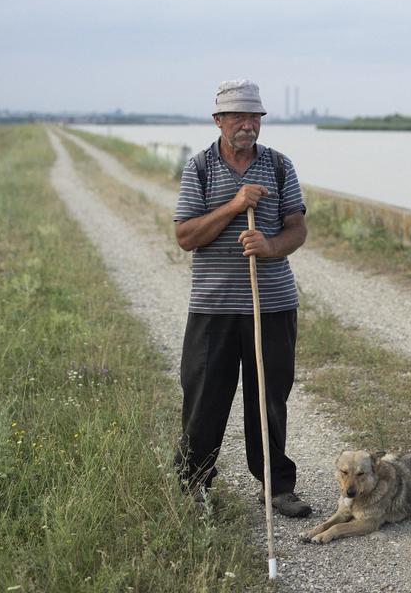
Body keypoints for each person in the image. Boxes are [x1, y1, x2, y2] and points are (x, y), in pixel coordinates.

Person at [172, 80, 312, 518]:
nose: (248, 126)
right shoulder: (199, 168)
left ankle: (275, 486)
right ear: (219, 121)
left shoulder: (278, 166)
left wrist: (270, 247)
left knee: (269, 398)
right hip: (213, 308)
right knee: (204, 399)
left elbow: (297, 229)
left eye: (255, 118)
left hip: (271, 306)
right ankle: (194, 482)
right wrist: (234, 206)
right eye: (238, 118)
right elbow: (185, 236)